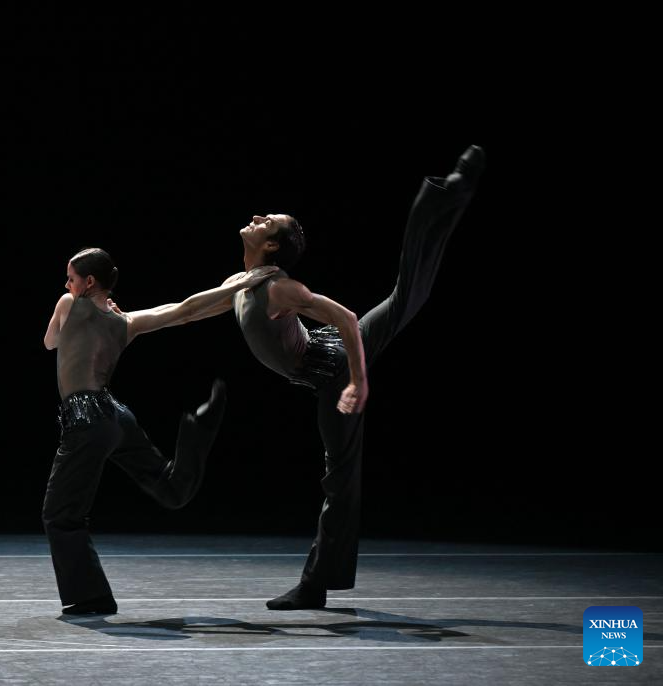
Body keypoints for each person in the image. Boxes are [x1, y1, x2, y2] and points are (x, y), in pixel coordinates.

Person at [188, 145, 486, 609]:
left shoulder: (279, 287)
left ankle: (314, 586)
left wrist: (357, 382)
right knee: (406, 297)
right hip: (328, 359)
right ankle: (447, 197)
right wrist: (129, 324)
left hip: (335, 371)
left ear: (271, 246)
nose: (258, 216)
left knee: (340, 478)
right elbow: (186, 309)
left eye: (268, 221)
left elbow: (346, 317)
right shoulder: (240, 284)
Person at [42, 247, 276, 615]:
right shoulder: (126, 322)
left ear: (88, 282)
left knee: (60, 514)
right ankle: (196, 433)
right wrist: (240, 285)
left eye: (71, 278)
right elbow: (185, 310)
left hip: (87, 421)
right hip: (116, 417)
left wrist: (68, 310)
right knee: (169, 488)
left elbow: (49, 342)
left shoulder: (68, 303)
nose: (66, 284)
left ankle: (90, 597)